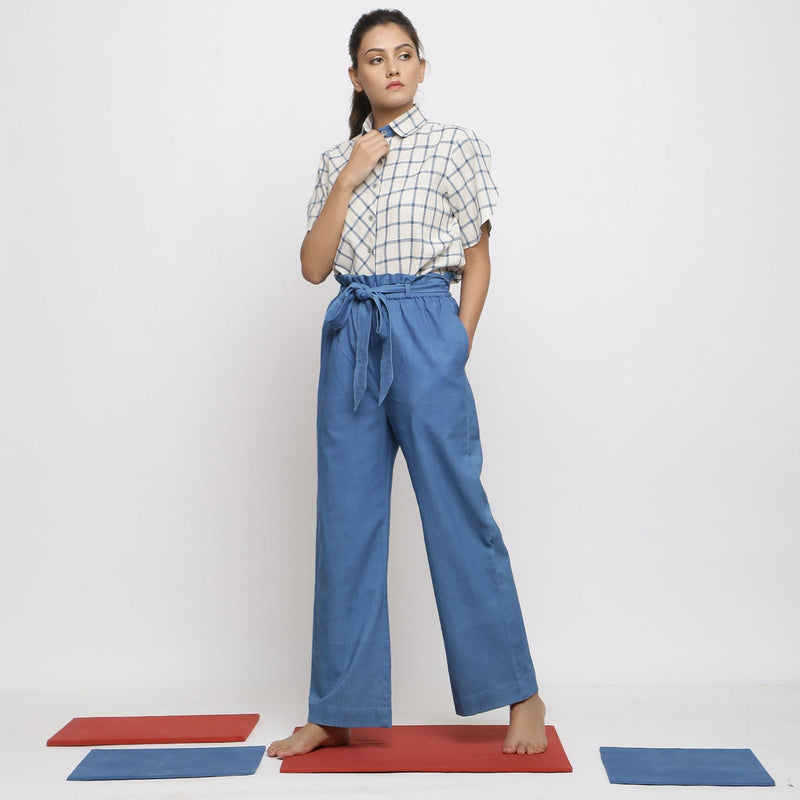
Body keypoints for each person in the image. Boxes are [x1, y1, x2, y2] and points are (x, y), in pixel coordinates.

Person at [268, 8, 547, 759]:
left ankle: (522, 692)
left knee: (459, 513)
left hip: (426, 325)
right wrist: (351, 177)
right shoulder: (336, 160)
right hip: (353, 331)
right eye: (374, 58)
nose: (390, 67)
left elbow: (479, 255)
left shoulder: (456, 146)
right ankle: (336, 708)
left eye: (404, 54)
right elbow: (313, 266)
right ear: (355, 75)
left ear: (422, 66)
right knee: (347, 525)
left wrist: (455, 341)